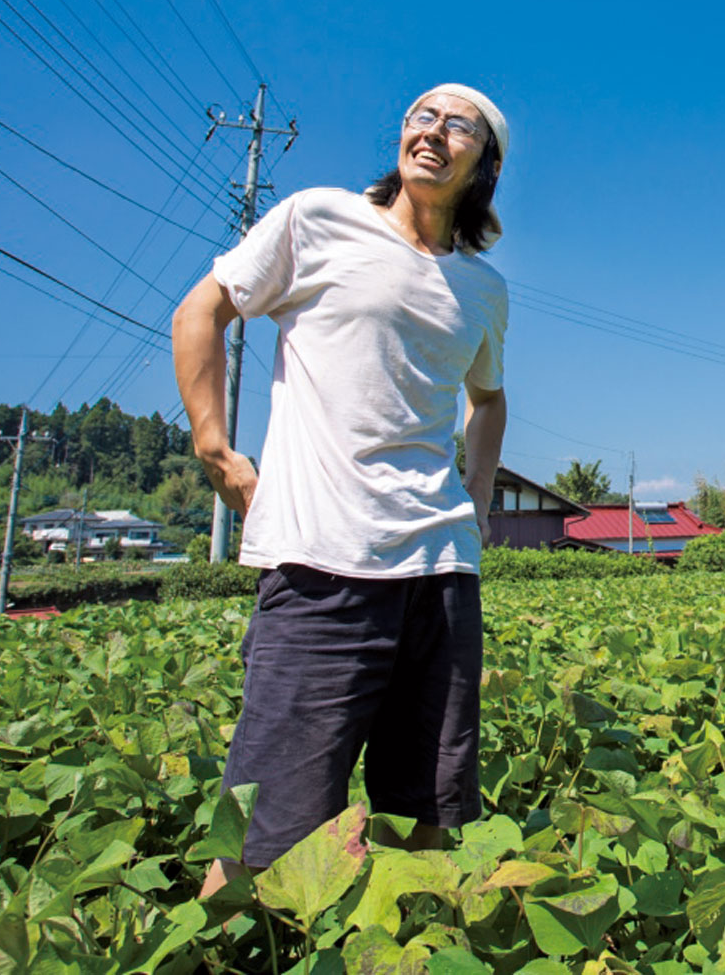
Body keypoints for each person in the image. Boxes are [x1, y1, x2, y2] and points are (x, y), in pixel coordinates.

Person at [172, 83, 510, 889]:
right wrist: (217, 450)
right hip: (323, 564)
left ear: (484, 165)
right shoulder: (318, 218)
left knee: (423, 820)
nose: (432, 131)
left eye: (457, 124)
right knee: (264, 835)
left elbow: (490, 398)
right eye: (420, 116)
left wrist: (481, 500)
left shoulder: (484, 288)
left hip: (440, 576)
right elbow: (203, 309)